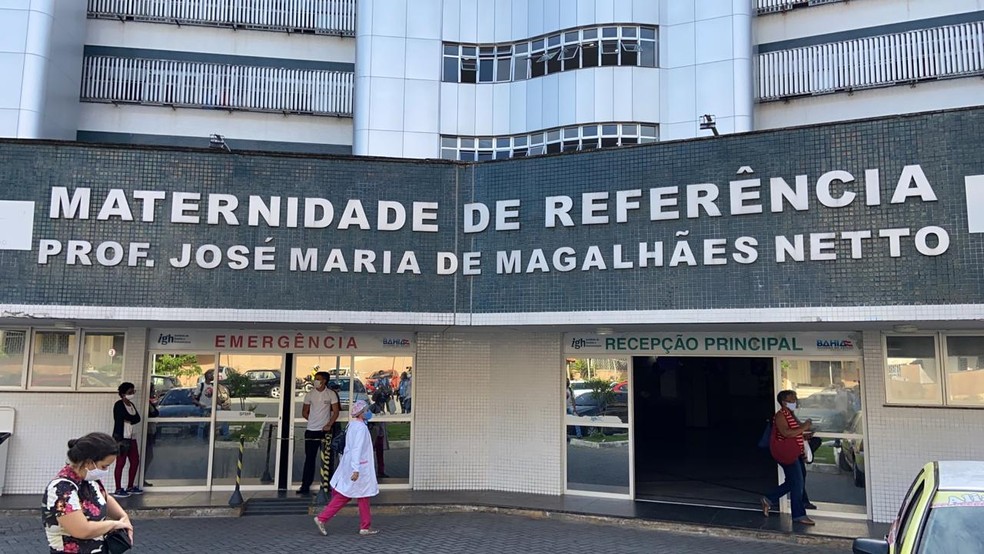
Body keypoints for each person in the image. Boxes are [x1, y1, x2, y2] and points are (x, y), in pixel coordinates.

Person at [42, 432, 134, 553]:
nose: (106, 470)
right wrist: (114, 524)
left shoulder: (90, 480)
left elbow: (104, 498)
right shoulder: (61, 489)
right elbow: (82, 530)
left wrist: (123, 518)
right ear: (89, 463)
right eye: (104, 466)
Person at [313, 399, 379, 536]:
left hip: (352, 464)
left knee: (362, 496)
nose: (368, 412)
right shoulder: (361, 428)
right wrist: (356, 469)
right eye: (366, 410)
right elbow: (357, 449)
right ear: (360, 413)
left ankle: (365, 526)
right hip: (358, 467)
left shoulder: (352, 425)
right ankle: (322, 518)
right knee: (347, 495)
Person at [761, 390, 815, 526]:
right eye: (792, 400)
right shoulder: (780, 415)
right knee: (797, 483)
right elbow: (786, 433)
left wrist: (804, 434)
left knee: (796, 481)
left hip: (795, 452)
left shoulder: (790, 414)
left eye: (795, 399)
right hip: (786, 454)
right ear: (784, 402)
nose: (795, 401)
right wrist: (804, 427)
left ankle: (768, 499)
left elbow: (794, 433)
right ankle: (799, 515)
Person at [297, 371, 340, 495]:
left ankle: (328, 485)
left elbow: (336, 412)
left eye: (318, 378)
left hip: (325, 432)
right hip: (311, 431)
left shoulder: (331, 394)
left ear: (324, 381)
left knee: (327, 459)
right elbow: (304, 412)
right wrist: (312, 420)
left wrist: (328, 424)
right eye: (315, 378)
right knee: (309, 459)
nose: (315, 380)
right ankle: (305, 485)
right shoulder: (310, 394)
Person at [111, 382, 142, 498]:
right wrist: (130, 419)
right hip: (121, 437)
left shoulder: (131, 404)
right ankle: (118, 488)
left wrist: (129, 419)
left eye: (133, 391)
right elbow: (121, 417)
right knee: (121, 462)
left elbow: (137, 418)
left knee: (135, 461)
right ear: (123, 393)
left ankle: (130, 486)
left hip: (131, 436)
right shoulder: (119, 404)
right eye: (130, 392)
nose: (132, 394)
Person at [368, 398, 390, 478]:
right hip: (374, 433)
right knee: (371, 453)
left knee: (380, 454)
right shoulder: (373, 407)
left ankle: (381, 471)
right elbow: (369, 418)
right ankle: (371, 471)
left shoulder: (380, 408)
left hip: (380, 433)